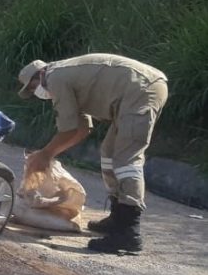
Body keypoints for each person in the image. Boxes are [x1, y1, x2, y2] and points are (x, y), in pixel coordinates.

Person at [18, 54, 168, 254]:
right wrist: (49, 154)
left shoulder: (55, 78)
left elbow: (69, 130)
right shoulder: (64, 76)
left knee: (126, 159)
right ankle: (118, 216)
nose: (34, 92)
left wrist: (46, 154)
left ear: (40, 74)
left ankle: (129, 231)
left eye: (31, 86)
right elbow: (81, 129)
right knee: (108, 152)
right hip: (136, 89)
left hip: (142, 88)